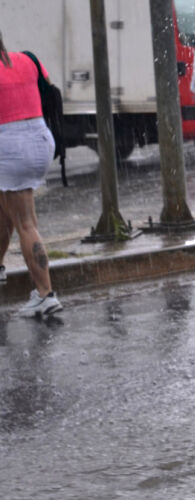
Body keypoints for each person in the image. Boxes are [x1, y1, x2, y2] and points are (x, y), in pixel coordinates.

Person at [0, 30, 62, 317]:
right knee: (8, 212)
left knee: (25, 222)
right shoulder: (27, 59)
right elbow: (48, 89)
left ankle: (46, 294)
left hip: (11, 147)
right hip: (39, 138)